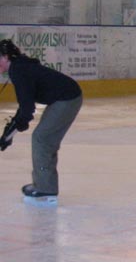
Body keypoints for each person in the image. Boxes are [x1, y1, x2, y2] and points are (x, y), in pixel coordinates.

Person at [0, 38, 83, 203]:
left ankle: (45, 189)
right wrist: (8, 134)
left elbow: (27, 110)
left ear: (6, 57)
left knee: (42, 138)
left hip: (67, 99)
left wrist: (8, 136)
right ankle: (44, 184)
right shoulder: (19, 67)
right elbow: (25, 106)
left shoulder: (19, 70)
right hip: (64, 98)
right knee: (45, 139)